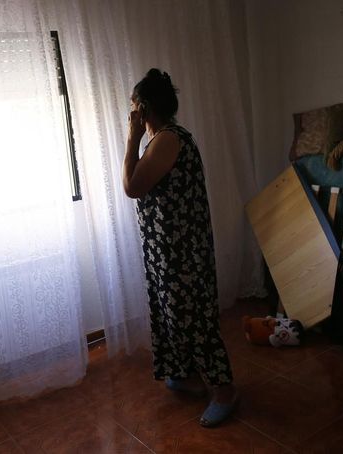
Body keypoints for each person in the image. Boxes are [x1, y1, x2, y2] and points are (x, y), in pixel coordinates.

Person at [122, 68, 237, 427]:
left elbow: (132, 187)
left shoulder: (168, 139)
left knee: (194, 320)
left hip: (181, 251)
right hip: (166, 248)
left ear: (143, 108)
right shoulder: (161, 140)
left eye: (133, 107)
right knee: (170, 313)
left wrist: (130, 138)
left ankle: (224, 391)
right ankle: (184, 375)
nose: (131, 114)